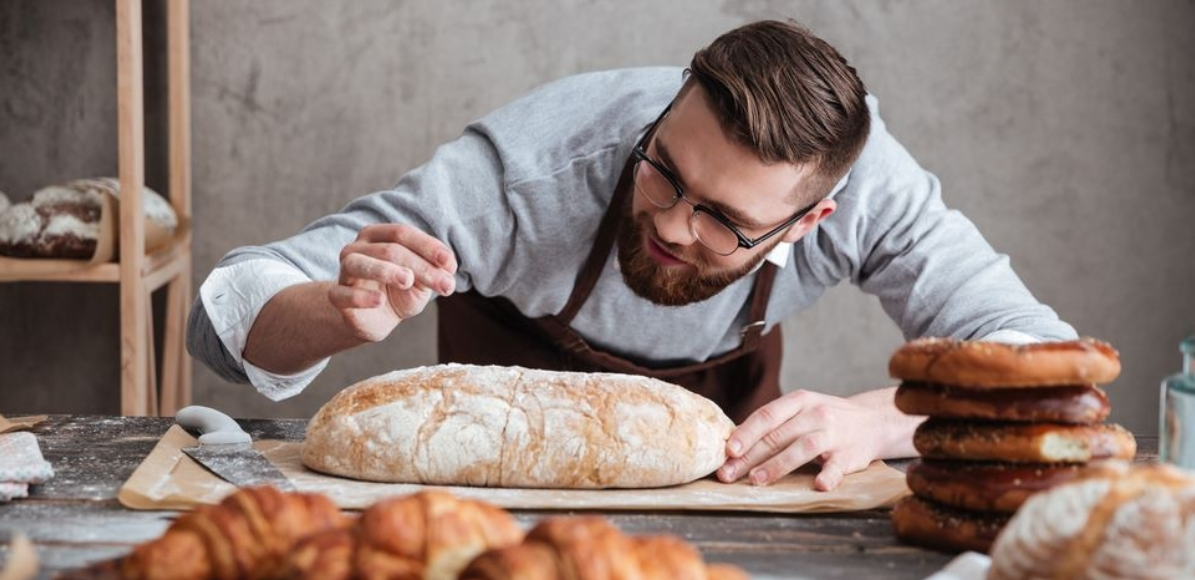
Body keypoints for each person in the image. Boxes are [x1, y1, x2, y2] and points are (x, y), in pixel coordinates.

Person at [188, 19, 1075, 491]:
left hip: (738, 502)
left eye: (725, 220)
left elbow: (1047, 367)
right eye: (665, 172)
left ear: (812, 222)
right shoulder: (530, 172)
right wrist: (336, 316)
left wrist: (883, 422)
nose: (676, 225)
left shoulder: (875, 187)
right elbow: (221, 318)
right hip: (496, 503)